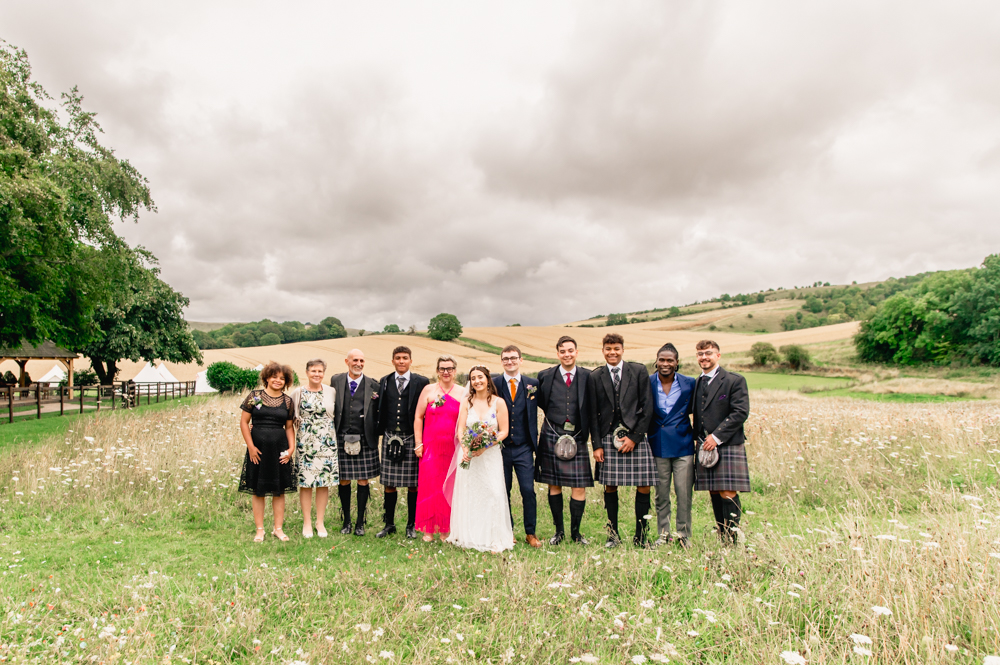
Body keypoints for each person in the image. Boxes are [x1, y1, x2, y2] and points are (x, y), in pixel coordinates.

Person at [586, 333, 657, 548]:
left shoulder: (638, 371)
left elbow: (648, 407)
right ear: (603, 351)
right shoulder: (595, 376)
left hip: (635, 436)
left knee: (644, 485)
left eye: (616, 348)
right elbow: (592, 413)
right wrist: (596, 445)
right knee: (610, 486)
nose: (612, 352)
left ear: (623, 349)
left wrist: (635, 438)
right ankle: (613, 536)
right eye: (608, 349)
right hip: (607, 437)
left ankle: (641, 536)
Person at [447, 365, 514, 553]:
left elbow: (504, 431)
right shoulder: (467, 402)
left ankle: (494, 538)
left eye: (480, 377)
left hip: (490, 455)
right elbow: (460, 429)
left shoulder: (498, 402)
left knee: (492, 492)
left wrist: (485, 445)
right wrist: (467, 447)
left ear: (487, 378)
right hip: (468, 454)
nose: (477, 381)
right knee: (470, 494)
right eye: (473, 378)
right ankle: (469, 534)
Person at [535, 335, 593, 545]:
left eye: (570, 350)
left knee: (579, 487)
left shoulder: (588, 376)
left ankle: (576, 534)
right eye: (562, 351)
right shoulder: (545, 376)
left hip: (577, 435)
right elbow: (539, 401)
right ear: (557, 353)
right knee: (554, 485)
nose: (567, 354)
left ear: (576, 352)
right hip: (552, 432)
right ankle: (558, 532)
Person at [691, 340, 750, 545]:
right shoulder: (698, 381)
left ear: (718, 355)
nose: (704, 357)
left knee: (727, 490)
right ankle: (722, 533)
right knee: (714, 489)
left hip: (727, 443)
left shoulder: (734, 380)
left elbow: (740, 412)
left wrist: (716, 437)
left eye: (708, 353)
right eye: (700, 354)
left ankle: (733, 537)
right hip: (704, 445)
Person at [238, 362, 296, 542]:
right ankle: (260, 530)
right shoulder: (256, 397)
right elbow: (244, 423)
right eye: (274, 376)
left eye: (282, 378)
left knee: (279, 491)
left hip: (279, 451)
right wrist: (251, 447)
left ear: (286, 381)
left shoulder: (288, 401)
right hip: (258, 451)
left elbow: (289, 427)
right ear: (267, 378)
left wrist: (291, 449)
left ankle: (278, 529)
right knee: (258, 490)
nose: (278, 380)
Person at [376, 346, 430, 539]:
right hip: (390, 437)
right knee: (389, 484)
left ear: (410, 361)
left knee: (413, 484)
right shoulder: (384, 381)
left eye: (405, 358)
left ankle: (411, 525)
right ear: (392, 361)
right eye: (397, 358)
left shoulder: (422, 382)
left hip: (411, 437)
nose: (401, 361)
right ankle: (389, 524)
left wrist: (421, 439)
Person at [647, 343, 696, 548]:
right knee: (661, 494)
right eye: (662, 360)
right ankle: (663, 535)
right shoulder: (646, 382)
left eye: (670, 360)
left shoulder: (690, 383)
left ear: (677, 363)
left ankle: (684, 535)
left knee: (684, 493)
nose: (665, 364)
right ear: (656, 361)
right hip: (657, 444)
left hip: (683, 444)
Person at [493, 346, 541, 548]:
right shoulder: (493, 383)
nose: (510, 361)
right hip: (500, 448)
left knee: (528, 490)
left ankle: (530, 533)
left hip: (524, 447)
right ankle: (508, 531)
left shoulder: (533, 384)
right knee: (503, 491)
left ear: (521, 360)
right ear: (501, 361)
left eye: (513, 358)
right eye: (506, 358)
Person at [413, 355, 464, 541]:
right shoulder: (428, 390)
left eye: (449, 368)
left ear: (455, 371)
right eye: (442, 368)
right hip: (431, 448)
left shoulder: (462, 392)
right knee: (430, 487)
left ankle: (446, 530)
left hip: (453, 448)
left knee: (449, 486)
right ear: (437, 371)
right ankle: (429, 529)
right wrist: (418, 443)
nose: (446, 372)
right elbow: (418, 417)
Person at [331, 349, 380, 536]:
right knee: (343, 480)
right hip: (341, 437)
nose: (358, 363)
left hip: (365, 438)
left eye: (361, 360)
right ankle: (346, 521)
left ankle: (360, 523)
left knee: (362, 480)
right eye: (355, 360)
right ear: (347, 361)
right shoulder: (336, 381)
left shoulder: (374, 385)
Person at [289, 358, 338, 539]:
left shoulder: (331, 391)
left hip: (327, 442)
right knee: (306, 483)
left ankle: (320, 522)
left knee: (323, 483)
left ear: (324, 373)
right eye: (313, 371)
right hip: (306, 444)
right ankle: (307, 522)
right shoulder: (298, 392)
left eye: (320, 371)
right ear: (307, 372)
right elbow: (289, 418)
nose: (316, 374)